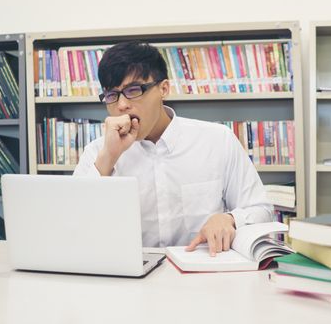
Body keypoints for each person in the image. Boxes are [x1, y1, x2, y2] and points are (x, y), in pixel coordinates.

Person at [73, 41, 273, 256]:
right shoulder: (98, 152)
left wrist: (230, 219)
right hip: (128, 275)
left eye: (133, 90)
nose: (121, 105)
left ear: (164, 89)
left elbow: (262, 210)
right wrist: (109, 157)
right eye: (112, 95)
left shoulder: (217, 140)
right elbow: (72, 224)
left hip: (203, 273)